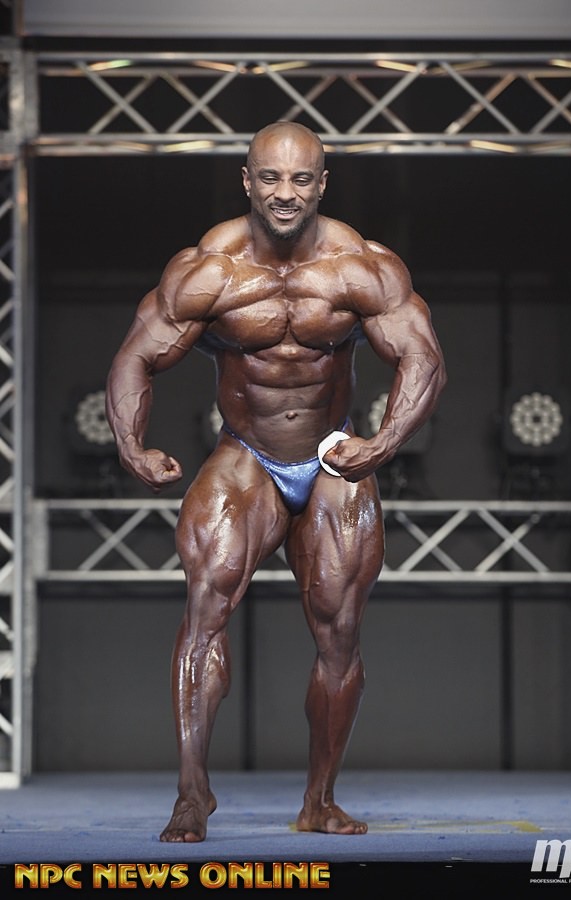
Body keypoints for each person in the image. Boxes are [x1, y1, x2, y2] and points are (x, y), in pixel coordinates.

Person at [105, 121, 446, 842]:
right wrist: (132, 445)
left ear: (322, 184)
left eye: (300, 179)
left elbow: (423, 358)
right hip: (247, 455)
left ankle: (319, 800)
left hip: (332, 457)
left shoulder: (362, 267)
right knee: (205, 605)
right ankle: (192, 792)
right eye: (270, 178)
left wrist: (383, 441)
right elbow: (137, 356)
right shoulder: (208, 270)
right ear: (247, 181)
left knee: (339, 633)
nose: (285, 193)